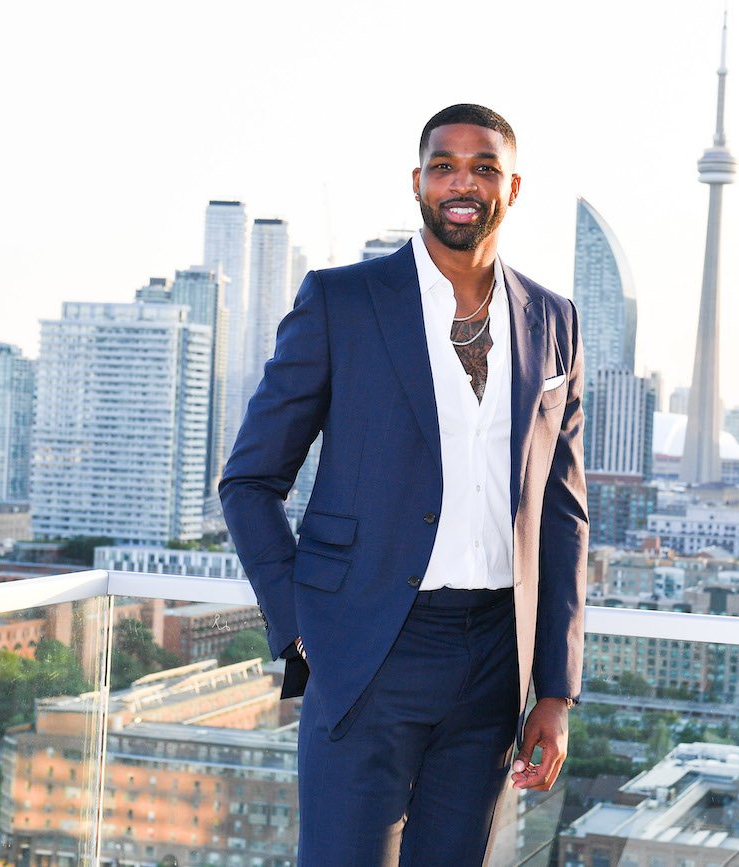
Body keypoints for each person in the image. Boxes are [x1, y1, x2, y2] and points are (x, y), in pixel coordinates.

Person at [220, 103, 587, 866]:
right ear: (416, 182)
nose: (463, 181)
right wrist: (301, 627)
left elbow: (562, 515)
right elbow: (250, 479)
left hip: (494, 660)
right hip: (367, 648)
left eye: (483, 166)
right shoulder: (343, 303)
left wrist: (553, 687)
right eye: (444, 165)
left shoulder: (554, 320)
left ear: (511, 188)